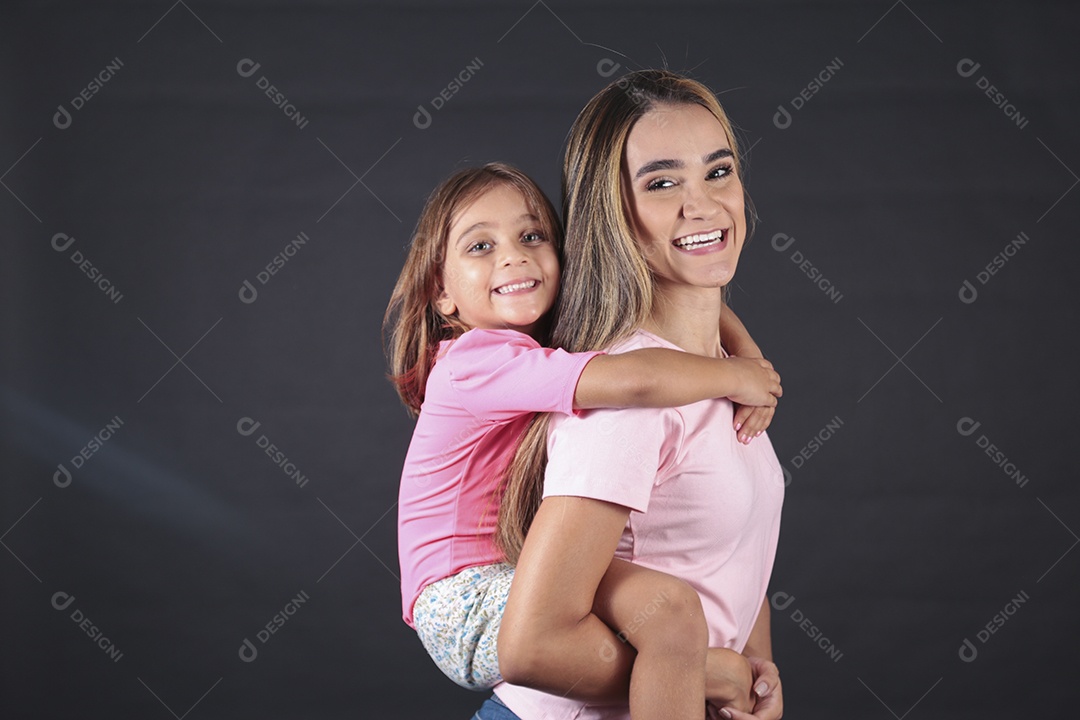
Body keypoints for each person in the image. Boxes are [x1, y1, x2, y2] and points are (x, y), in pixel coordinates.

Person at [384, 161, 782, 718]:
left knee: (665, 616)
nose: (513, 256)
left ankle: (710, 674)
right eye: (480, 247)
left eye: (532, 236)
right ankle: (712, 673)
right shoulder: (475, 361)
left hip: (501, 574)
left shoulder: (535, 353)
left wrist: (744, 354)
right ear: (442, 294)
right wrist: (740, 376)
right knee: (668, 611)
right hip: (462, 595)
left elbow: (708, 310)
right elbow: (636, 380)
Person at [490, 70, 786, 720]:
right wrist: (714, 673)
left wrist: (757, 676)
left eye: (718, 171)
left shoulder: (725, 371)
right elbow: (532, 646)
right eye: (661, 183)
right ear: (612, 212)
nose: (702, 205)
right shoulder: (630, 396)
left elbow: (729, 556)